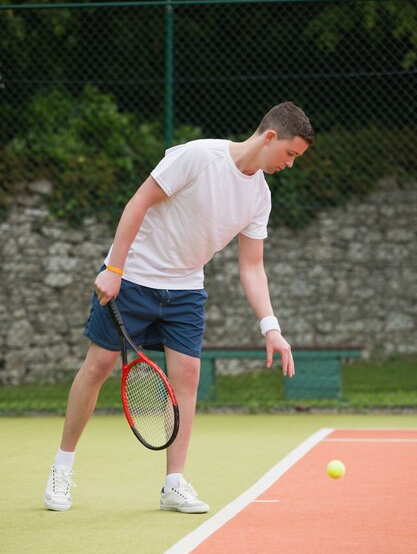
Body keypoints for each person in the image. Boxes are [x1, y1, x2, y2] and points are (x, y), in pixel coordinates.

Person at [44, 101, 314, 514]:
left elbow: (252, 268)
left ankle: (174, 483)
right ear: (270, 136)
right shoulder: (198, 156)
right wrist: (114, 268)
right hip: (133, 275)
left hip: (186, 289)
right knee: (98, 366)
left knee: (186, 376)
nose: (290, 165)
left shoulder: (260, 197)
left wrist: (271, 327)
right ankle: (62, 467)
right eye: (290, 154)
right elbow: (138, 203)